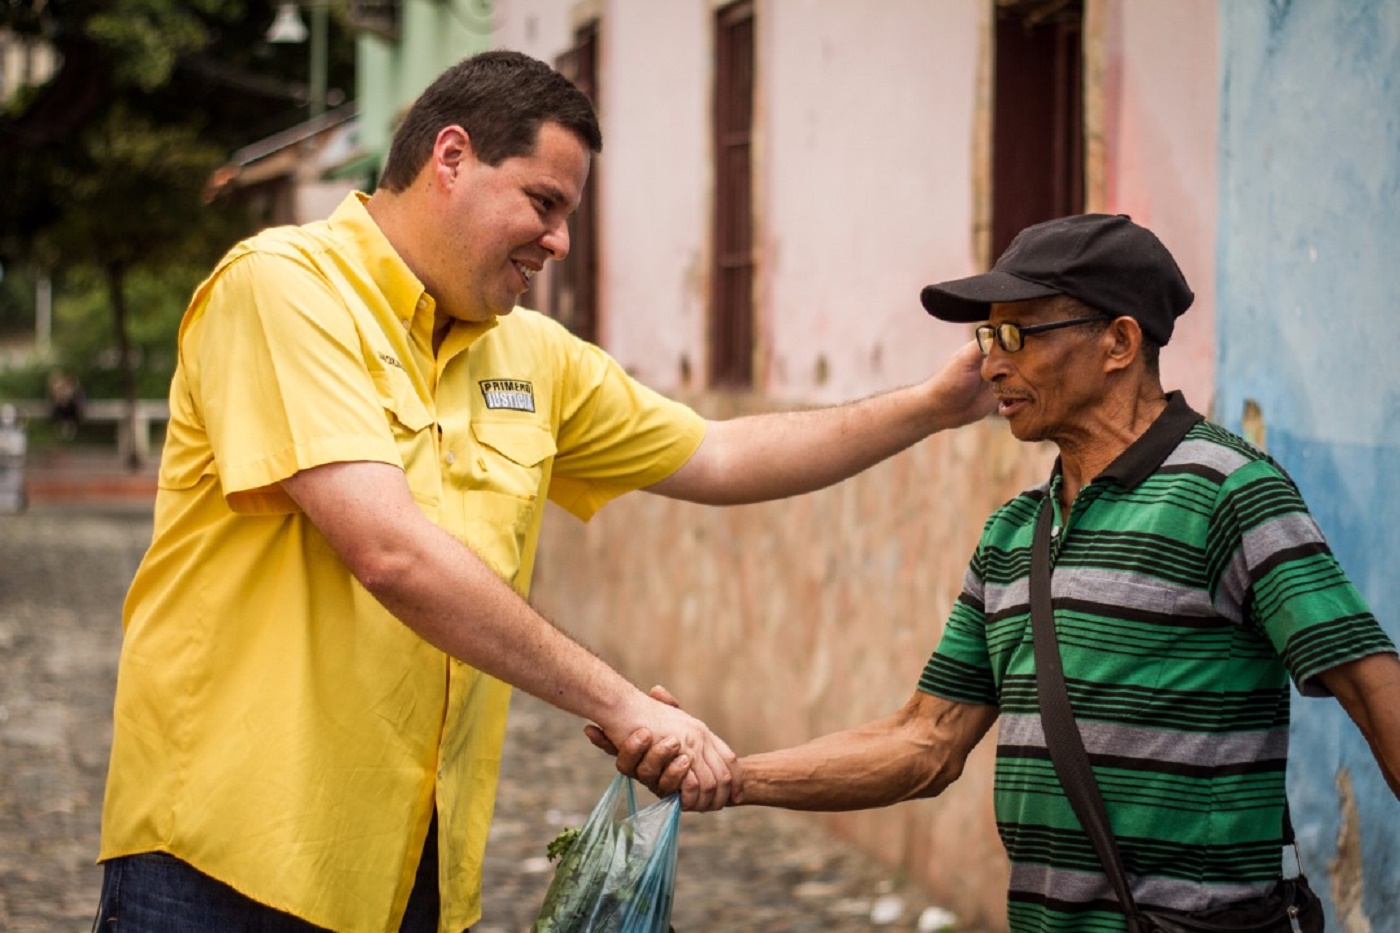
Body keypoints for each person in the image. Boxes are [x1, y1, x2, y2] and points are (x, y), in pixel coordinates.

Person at [93, 50, 994, 933]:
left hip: (410, 867)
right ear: (451, 158)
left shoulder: (529, 351)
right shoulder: (284, 290)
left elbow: (717, 454)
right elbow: (390, 551)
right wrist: (622, 702)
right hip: (222, 860)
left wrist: (929, 407)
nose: (559, 242)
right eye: (544, 202)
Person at [612, 213, 1400, 932]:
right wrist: (734, 773)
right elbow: (924, 740)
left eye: (1017, 337)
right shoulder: (1014, 533)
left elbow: (1372, 686)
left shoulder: (1228, 492)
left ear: (1119, 344)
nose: (990, 365)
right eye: (986, 340)